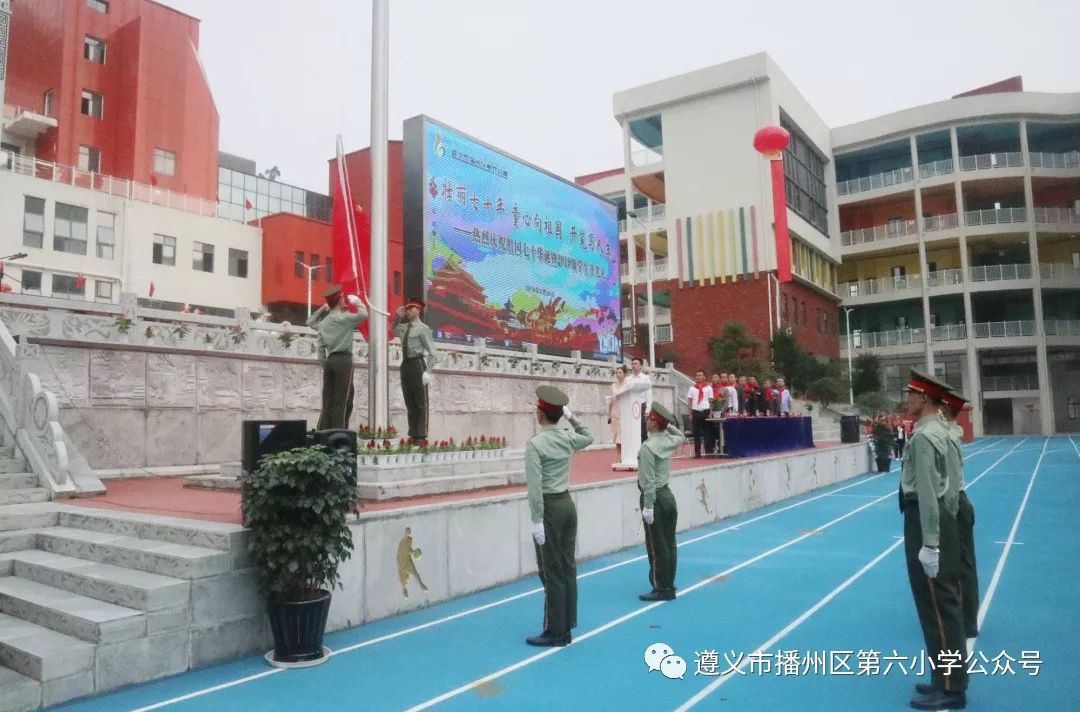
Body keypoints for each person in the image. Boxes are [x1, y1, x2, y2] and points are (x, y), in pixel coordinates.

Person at [899, 371, 967, 711]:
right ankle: (945, 678)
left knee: (937, 608)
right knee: (944, 605)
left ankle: (952, 688)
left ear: (924, 397)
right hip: (944, 515)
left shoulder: (926, 436)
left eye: (910, 394)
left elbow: (926, 491)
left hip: (926, 520)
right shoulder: (945, 429)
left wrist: (930, 541)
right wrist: (947, 521)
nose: (906, 399)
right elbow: (952, 483)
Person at [524, 385, 593, 647]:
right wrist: (571, 417)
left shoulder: (536, 444)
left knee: (551, 571)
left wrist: (536, 519)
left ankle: (556, 630)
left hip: (550, 508)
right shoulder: (566, 436)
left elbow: (535, 488)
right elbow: (589, 436)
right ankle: (567, 623)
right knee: (567, 567)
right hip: (567, 504)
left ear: (540, 414)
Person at [940, 389, 979, 653]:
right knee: (960, 563)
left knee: (962, 565)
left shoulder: (951, 433)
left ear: (945, 410)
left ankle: (967, 620)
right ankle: (964, 616)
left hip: (956, 504)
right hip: (957, 503)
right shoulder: (952, 432)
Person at [637, 402, 685, 601]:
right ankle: (669, 583)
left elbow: (647, 482)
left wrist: (647, 506)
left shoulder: (648, 448)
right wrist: (668, 424)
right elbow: (681, 436)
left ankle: (661, 587)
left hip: (655, 498)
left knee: (656, 545)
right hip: (668, 496)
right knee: (669, 543)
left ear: (654, 423)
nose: (646, 420)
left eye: (649, 418)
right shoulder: (667, 440)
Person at [307, 285, 367, 430]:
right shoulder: (344, 318)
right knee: (343, 399)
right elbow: (363, 315)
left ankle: (323, 433)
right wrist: (358, 301)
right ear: (340, 300)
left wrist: (323, 308)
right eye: (343, 297)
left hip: (329, 361)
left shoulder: (324, 323)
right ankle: (339, 434)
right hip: (343, 360)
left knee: (328, 400)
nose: (345, 299)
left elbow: (310, 323)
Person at [393, 298, 436, 440]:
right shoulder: (404, 327)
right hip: (405, 364)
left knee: (420, 402)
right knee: (409, 400)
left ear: (418, 310)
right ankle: (413, 433)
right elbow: (392, 329)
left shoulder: (423, 329)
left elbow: (432, 353)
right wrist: (397, 316)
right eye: (407, 309)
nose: (409, 311)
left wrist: (427, 371)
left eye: (412, 309)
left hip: (417, 364)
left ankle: (421, 435)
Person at [686, 369, 714, 458]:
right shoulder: (692, 388)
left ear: (704, 377)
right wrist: (690, 413)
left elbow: (711, 401)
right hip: (695, 412)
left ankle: (708, 452)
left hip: (705, 411)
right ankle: (697, 453)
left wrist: (711, 412)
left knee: (707, 432)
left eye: (700, 375)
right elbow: (689, 401)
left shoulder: (708, 388)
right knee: (696, 433)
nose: (698, 377)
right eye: (697, 375)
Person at [626, 357, 653, 442]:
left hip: (641, 405)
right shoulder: (628, 379)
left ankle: (644, 450)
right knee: (632, 429)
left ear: (641, 366)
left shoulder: (645, 378)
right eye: (632, 364)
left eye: (636, 364)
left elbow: (648, 394)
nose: (633, 366)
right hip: (631, 406)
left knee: (642, 430)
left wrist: (648, 409)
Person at [608, 366, 628, 460]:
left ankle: (626, 455)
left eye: (620, 373)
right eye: (617, 373)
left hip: (625, 411)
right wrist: (609, 414)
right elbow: (611, 400)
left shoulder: (628, 384)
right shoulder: (613, 385)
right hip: (615, 411)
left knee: (624, 434)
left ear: (624, 374)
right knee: (617, 435)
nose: (618, 375)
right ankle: (620, 456)